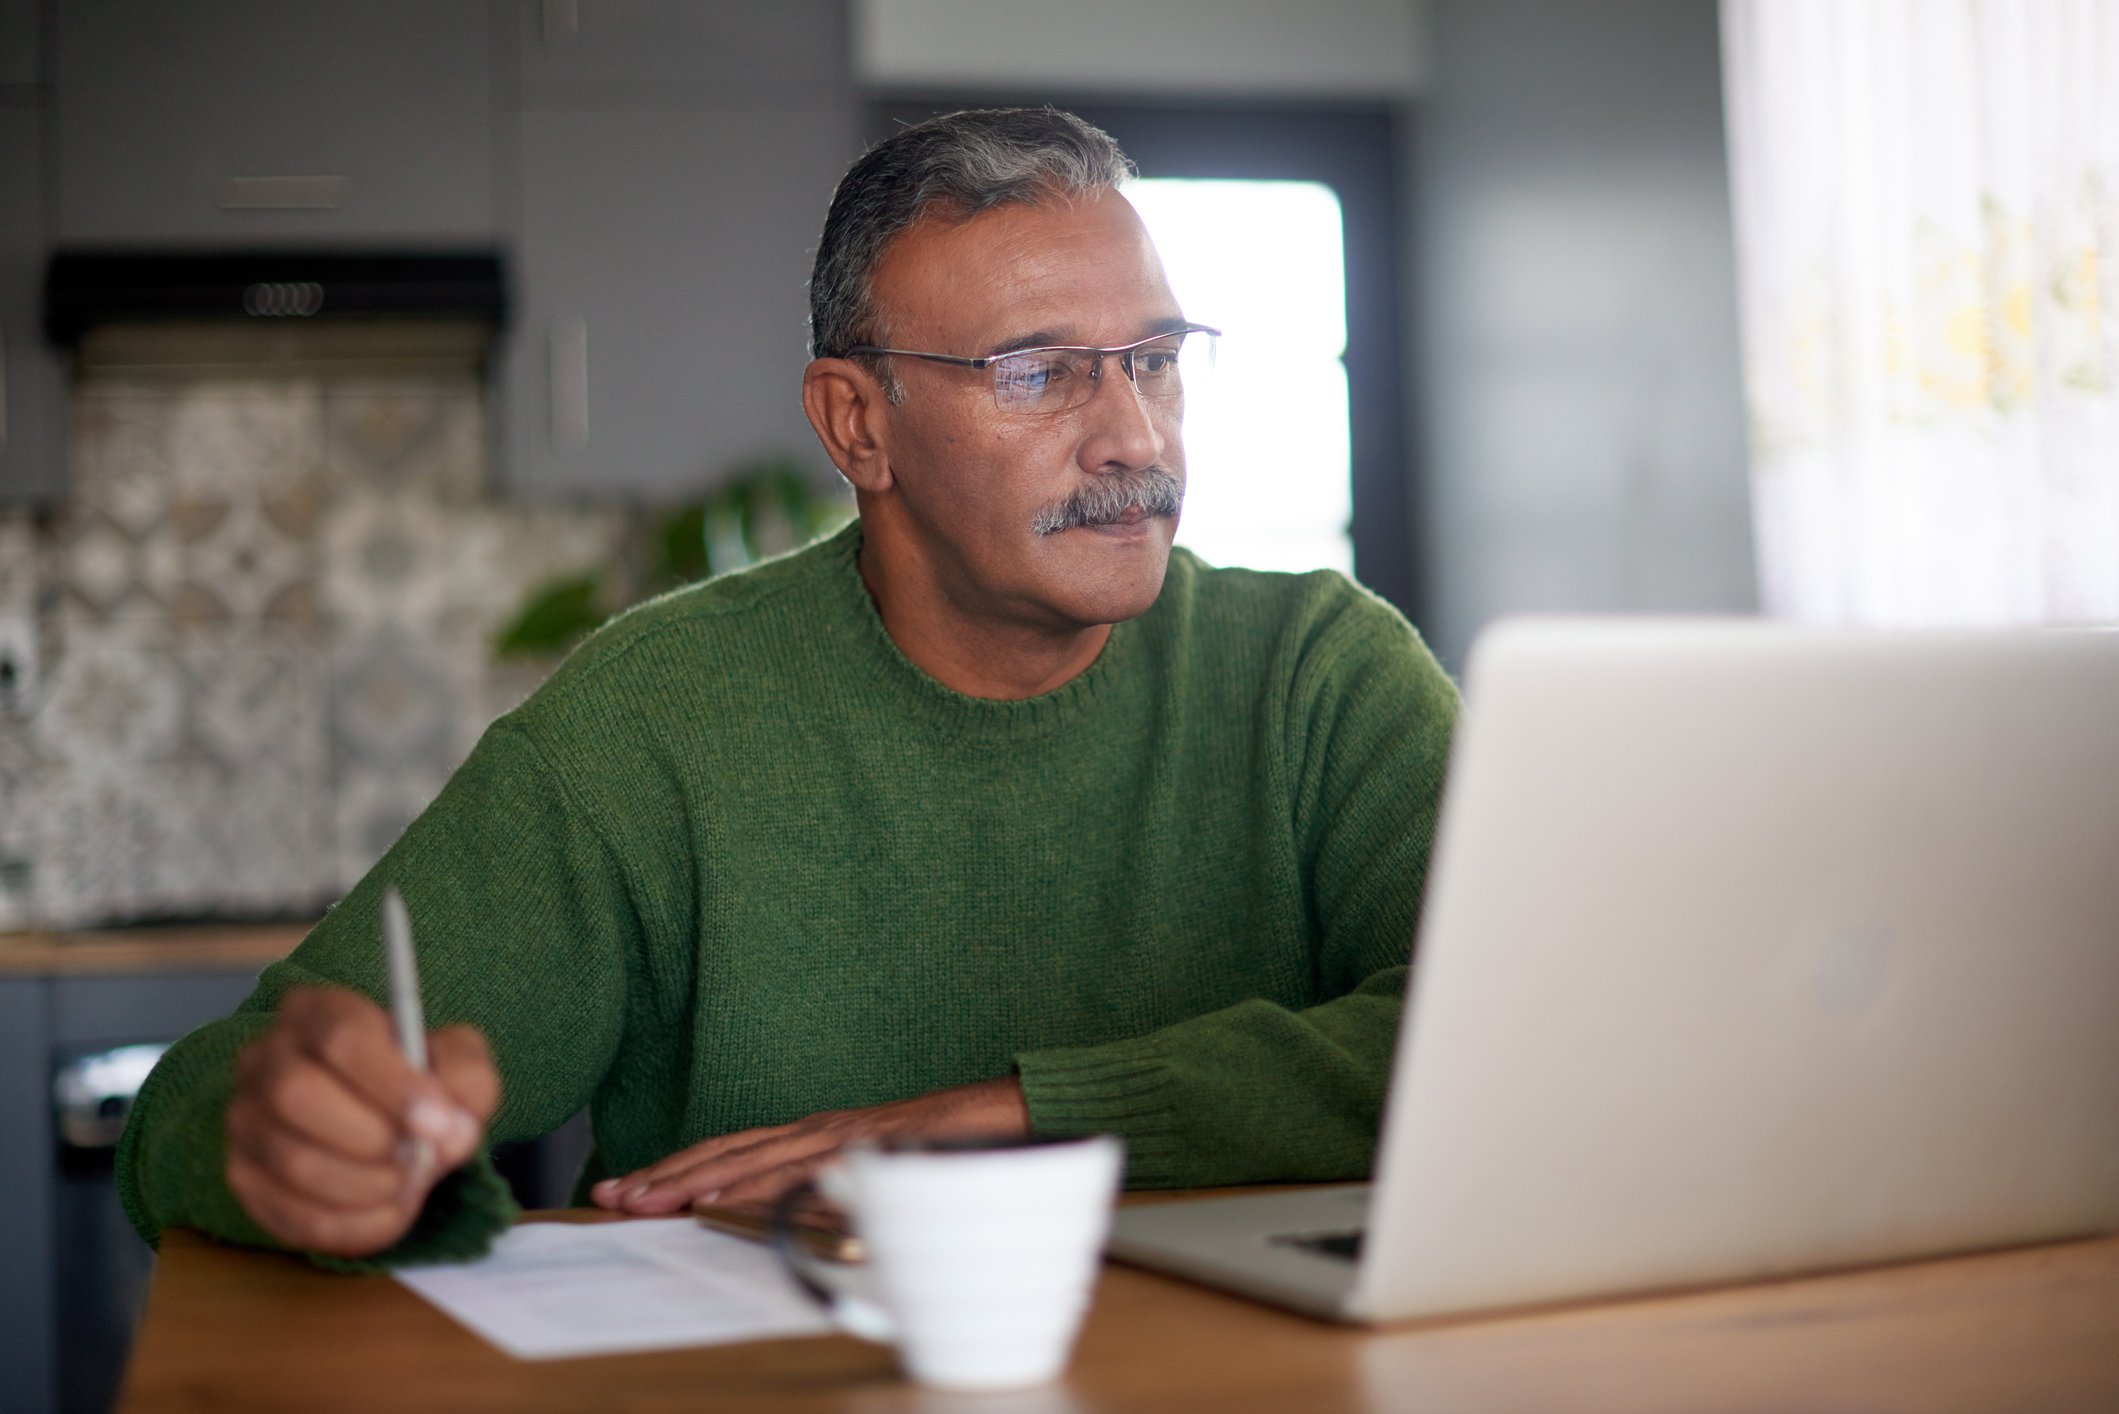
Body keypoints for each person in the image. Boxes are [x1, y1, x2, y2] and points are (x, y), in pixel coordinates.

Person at [116, 108, 1460, 1266]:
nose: (1133, 435)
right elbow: (197, 1107)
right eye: (1039, 371)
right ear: (856, 424)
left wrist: (1006, 1111)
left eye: (1155, 359)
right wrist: (289, 1139)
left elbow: (1520, 1042)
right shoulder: (659, 718)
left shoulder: (1319, 675)